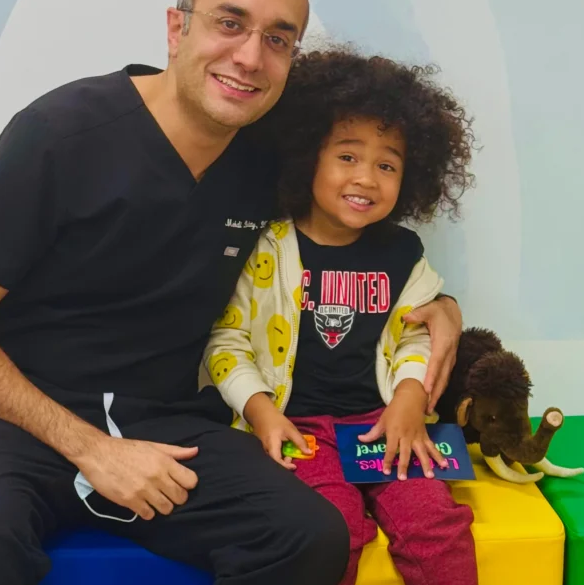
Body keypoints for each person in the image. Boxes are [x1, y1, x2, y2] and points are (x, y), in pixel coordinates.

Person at [0, 0, 465, 585]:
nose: (250, 56)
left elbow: (346, 240)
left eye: (279, 38)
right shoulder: (60, 135)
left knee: (310, 534)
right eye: (230, 23)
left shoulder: (270, 160)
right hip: (10, 421)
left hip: (166, 421)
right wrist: (95, 450)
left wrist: (442, 307)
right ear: (176, 28)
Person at [201, 48, 478, 585]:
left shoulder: (403, 254)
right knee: (331, 529)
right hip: (298, 430)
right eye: (347, 156)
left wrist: (407, 400)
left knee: (436, 523)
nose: (367, 179)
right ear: (309, 158)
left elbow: (417, 339)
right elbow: (226, 340)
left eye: (387, 165)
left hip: (383, 425)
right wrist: (260, 412)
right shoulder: (267, 248)